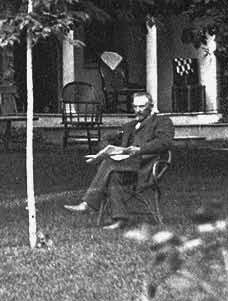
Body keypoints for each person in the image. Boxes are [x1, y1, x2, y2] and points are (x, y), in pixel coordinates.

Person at [64, 90, 177, 229]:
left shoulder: (162, 122)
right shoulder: (129, 126)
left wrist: (140, 149)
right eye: (135, 107)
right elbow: (106, 138)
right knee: (113, 175)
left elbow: (164, 142)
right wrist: (105, 150)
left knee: (109, 163)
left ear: (151, 106)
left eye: (142, 107)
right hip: (126, 167)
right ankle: (120, 219)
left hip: (145, 167)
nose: (138, 110)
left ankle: (88, 204)